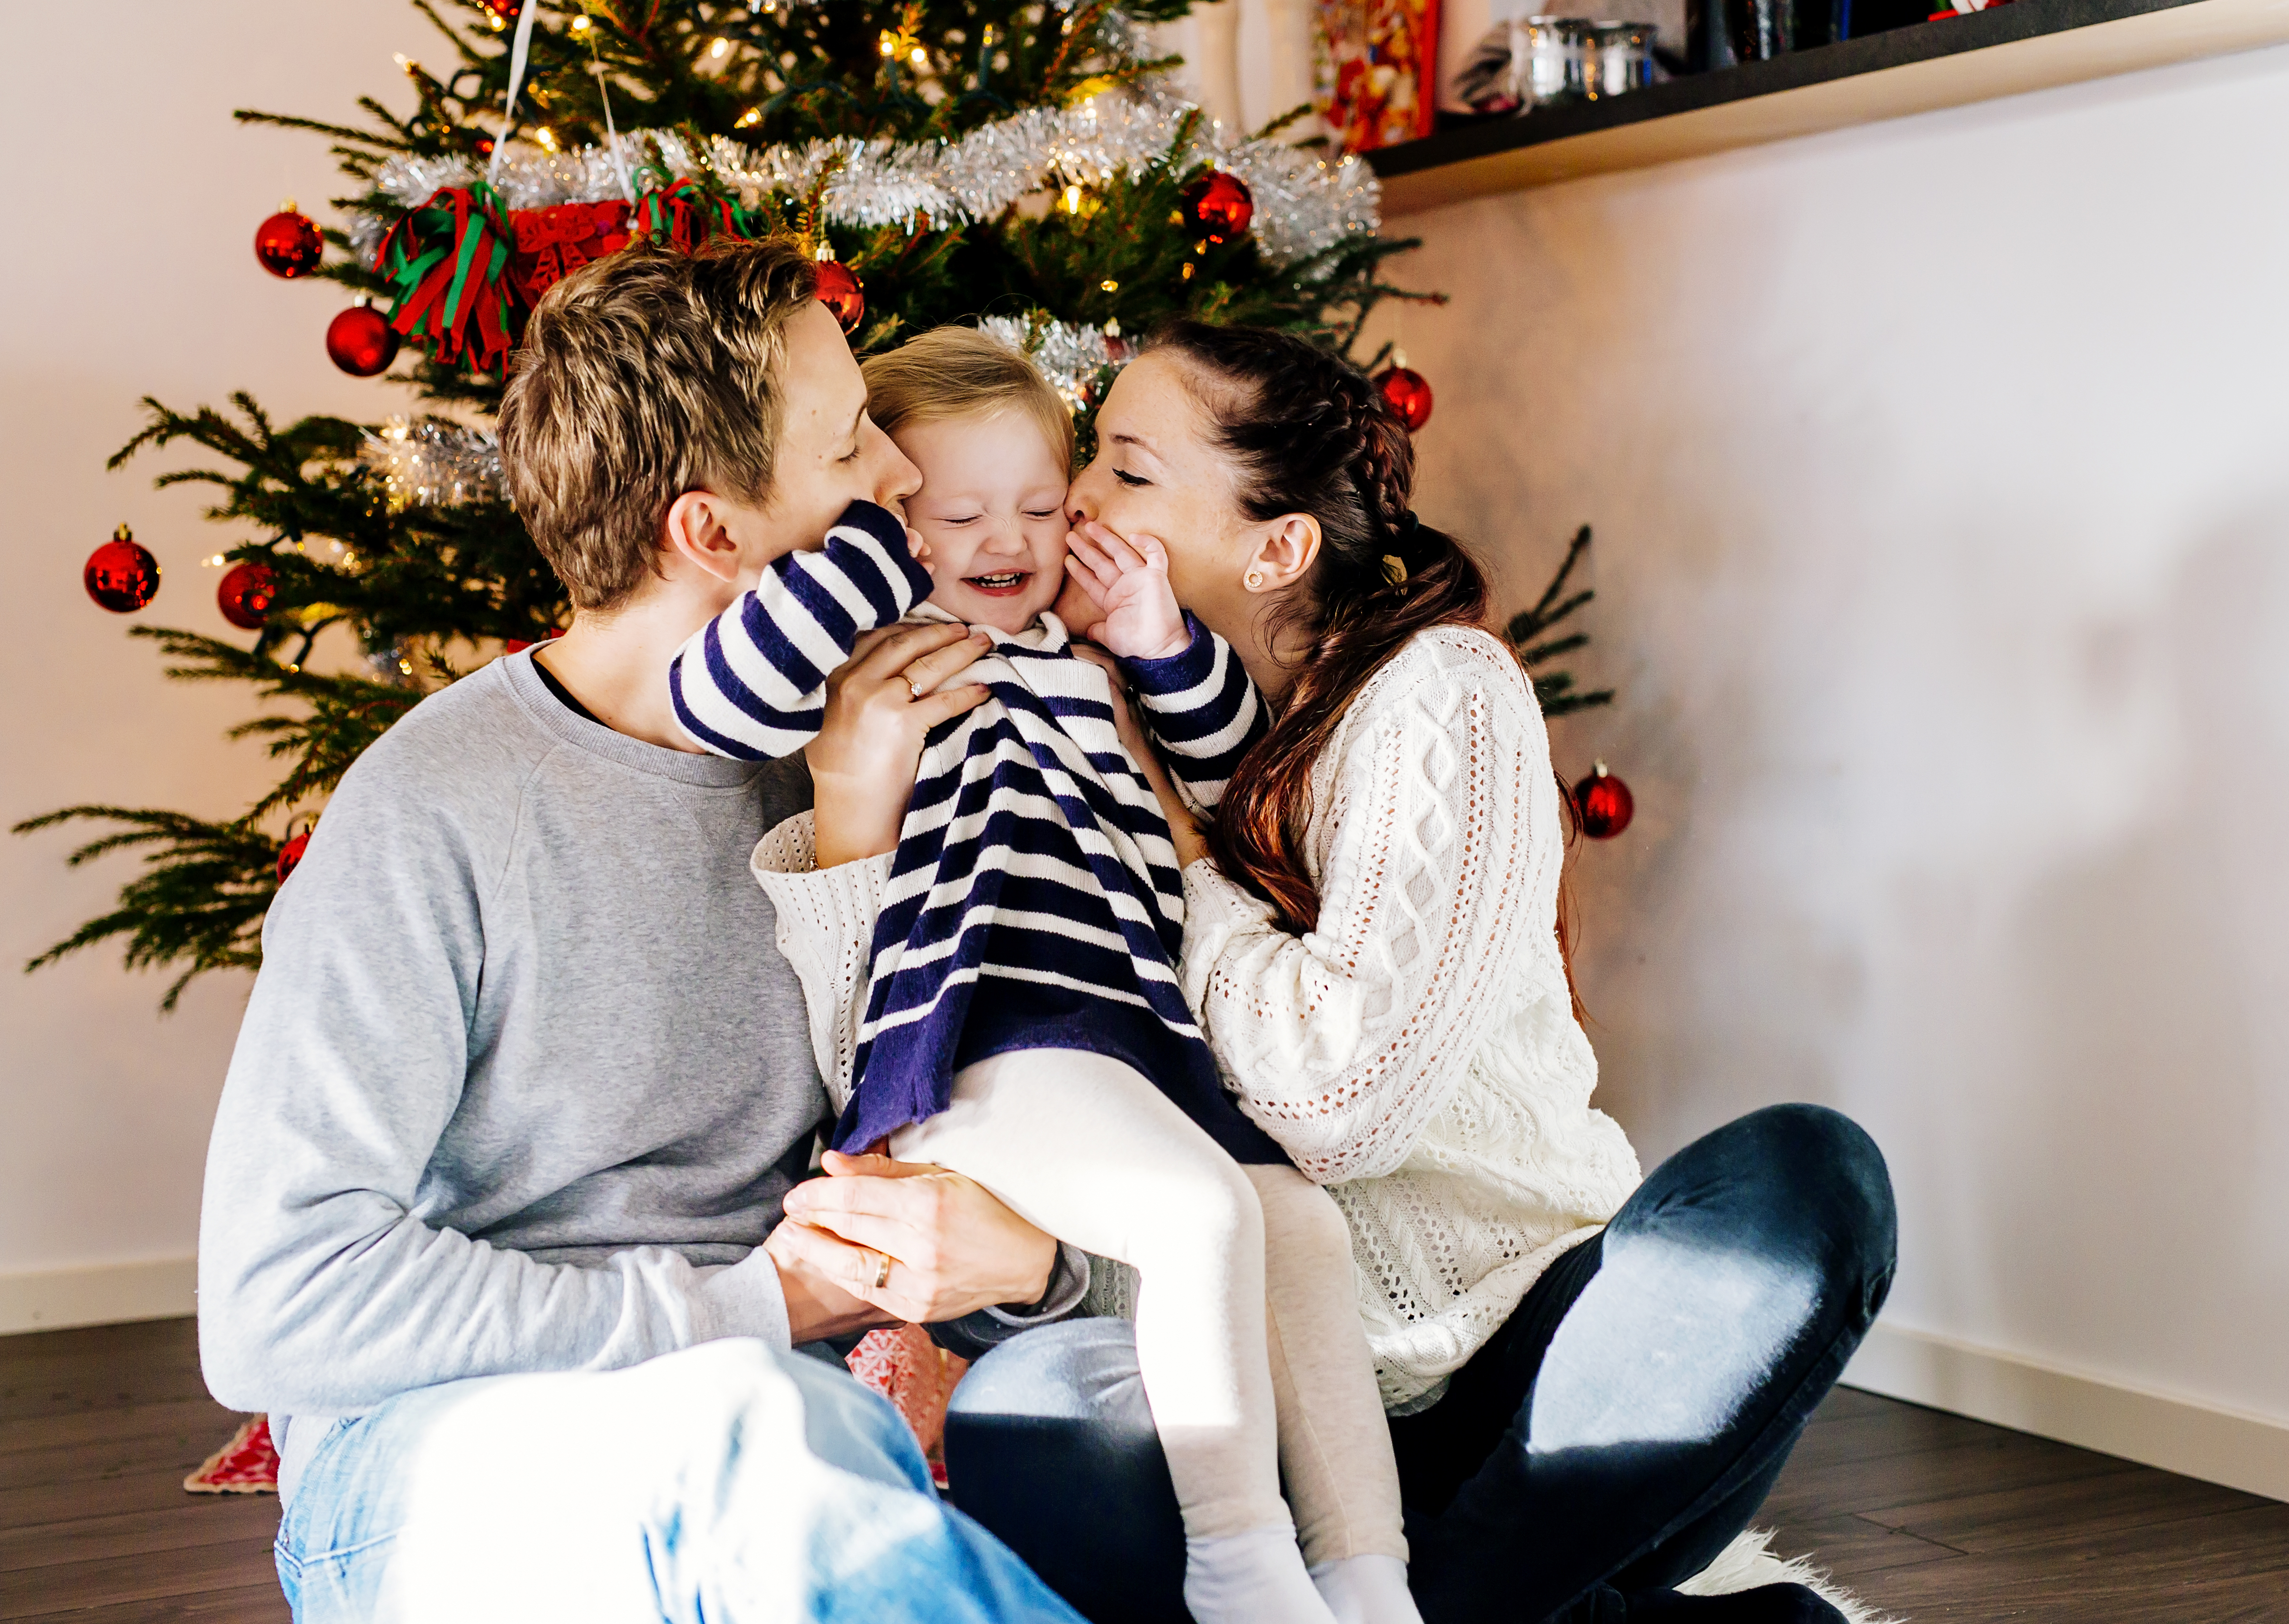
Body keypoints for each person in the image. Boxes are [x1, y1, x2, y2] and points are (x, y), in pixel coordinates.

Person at [790, 321, 1898, 1624]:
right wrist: (847, 807)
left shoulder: (1441, 692)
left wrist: (1184, 847)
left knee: (1803, 1183)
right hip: (1263, 1372)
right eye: (1086, 459)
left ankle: (1438, 1592)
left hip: (1529, 1360)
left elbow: (1334, 1104)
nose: (1072, 502)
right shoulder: (1024, 696)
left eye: (1127, 473)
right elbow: (923, 1046)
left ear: (1277, 548)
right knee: (1036, 1419)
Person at [193, 241, 1094, 1624]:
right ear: (713, 534)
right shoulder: (438, 808)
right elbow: (279, 1302)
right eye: (850, 444)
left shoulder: (877, 747)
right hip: (440, 1460)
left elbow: (1011, 1103)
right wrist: (750, 1312)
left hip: (794, 1437)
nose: (904, 480)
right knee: (749, 1430)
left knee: (828, 1442)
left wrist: (1036, 1271)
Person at [682, 327, 1418, 1624]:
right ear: (899, 518)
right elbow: (719, 697)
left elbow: (1229, 769)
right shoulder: (888, 656)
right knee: (1201, 1221)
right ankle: (1239, 1562)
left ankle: (1368, 1582)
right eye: (957, 512)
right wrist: (863, 554)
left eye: (1039, 502)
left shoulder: (1087, 661)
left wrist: (1159, 640)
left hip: (1123, 1033)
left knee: (1293, 1221)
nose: (1005, 538)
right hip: (987, 1041)